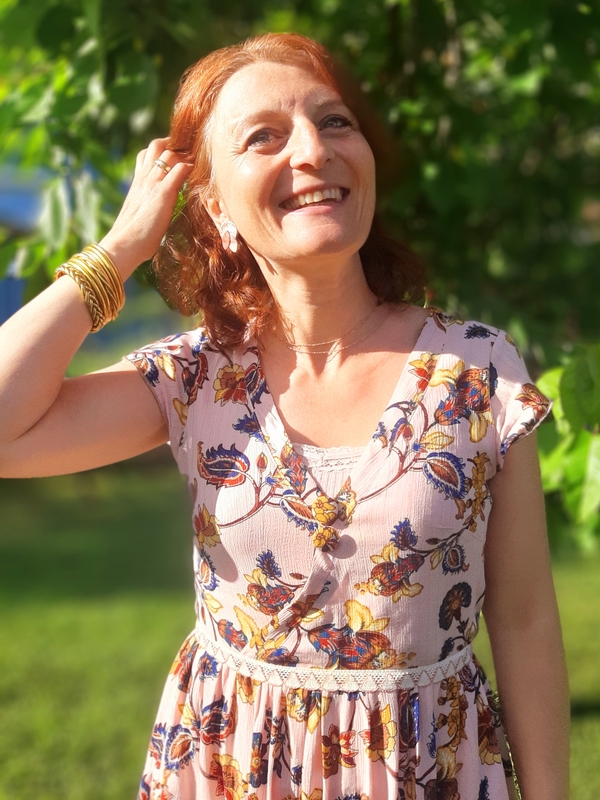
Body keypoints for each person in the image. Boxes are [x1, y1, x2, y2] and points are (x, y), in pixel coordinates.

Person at [0, 32, 569, 800]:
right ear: (214, 206)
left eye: (334, 122)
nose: (313, 149)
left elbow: (526, 619)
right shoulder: (196, 377)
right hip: (231, 767)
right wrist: (123, 247)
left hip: (429, 771)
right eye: (263, 136)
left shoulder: (478, 371)